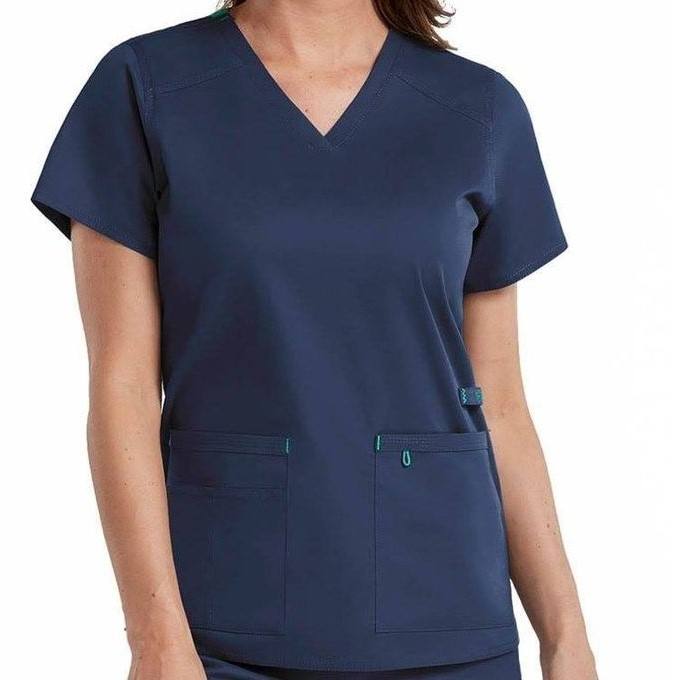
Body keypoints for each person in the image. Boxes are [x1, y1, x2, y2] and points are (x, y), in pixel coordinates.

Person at [31, 1, 598, 678]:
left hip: (450, 624)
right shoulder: (146, 87)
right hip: (222, 631)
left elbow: (499, 401)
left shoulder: (478, 109)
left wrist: (566, 637)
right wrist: (155, 640)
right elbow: (121, 386)